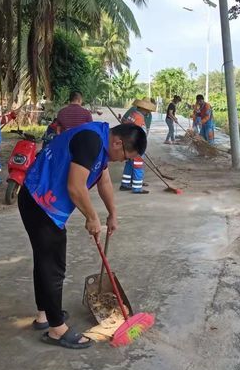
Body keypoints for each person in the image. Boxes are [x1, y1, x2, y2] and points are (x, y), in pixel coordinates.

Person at [19, 121, 147, 349]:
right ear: (118, 142)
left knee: (44, 260)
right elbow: (75, 187)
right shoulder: (91, 140)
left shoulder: (102, 143)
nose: (123, 161)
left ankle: (44, 316)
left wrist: (112, 214)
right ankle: (57, 330)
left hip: (43, 202)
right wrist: (91, 217)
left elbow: (104, 180)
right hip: (39, 202)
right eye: (127, 156)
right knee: (53, 266)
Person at [119, 99, 155, 194]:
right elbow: (138, 134)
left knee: (130, 164)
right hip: (135, 145)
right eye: (148, 110)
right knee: (138, 166)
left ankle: (125, 184)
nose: (149, 112)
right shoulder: (139, 118)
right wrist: (140, 146)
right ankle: (137, 188)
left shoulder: (133, 115)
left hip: (128, 145)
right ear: (144, 108)